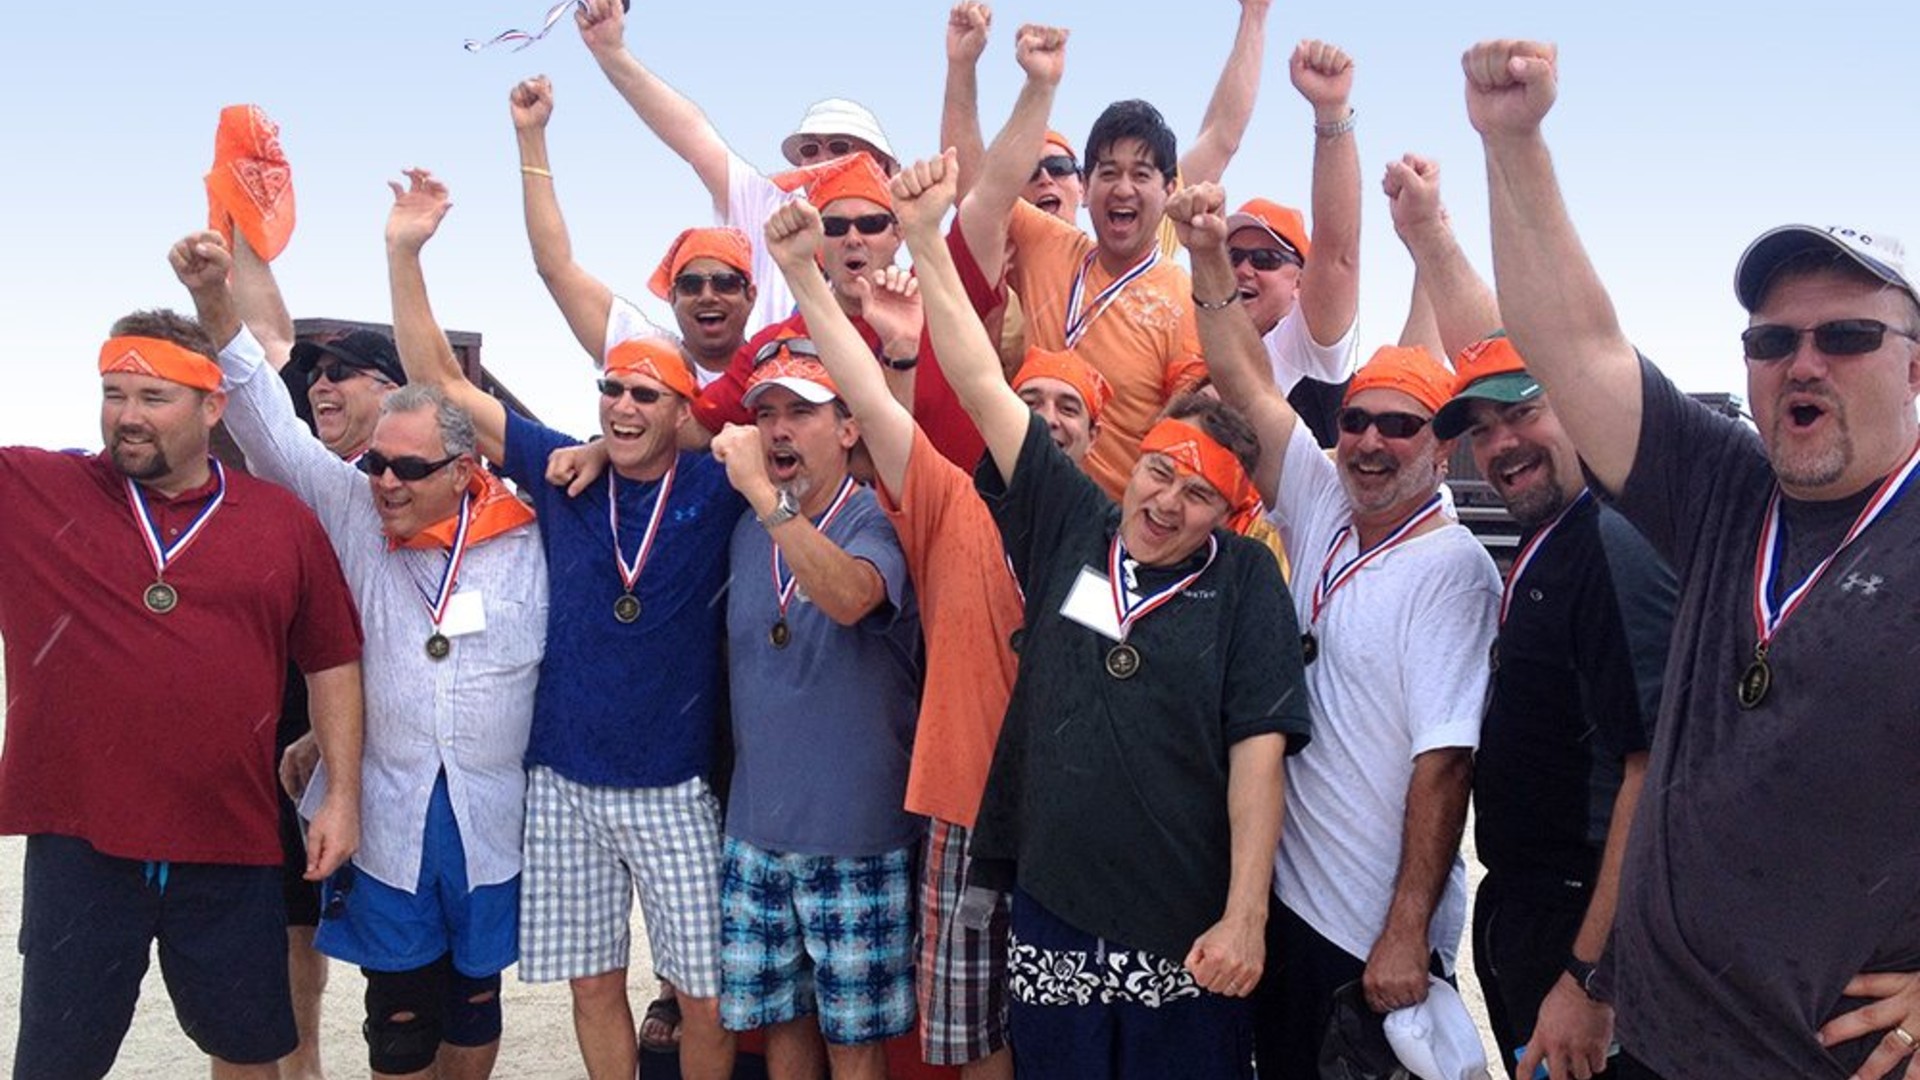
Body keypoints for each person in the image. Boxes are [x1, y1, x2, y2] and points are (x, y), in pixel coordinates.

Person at [1465, 37, 1920, 1079]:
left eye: (1844, 336)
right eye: (1770, 342)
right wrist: (1514, 141)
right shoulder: (1725, 486)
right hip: (1657, 1048)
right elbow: (1574, 345)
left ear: (1915, 363)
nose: (1800, 361)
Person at [900, 147, 1307, 1078]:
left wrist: (1246, 913)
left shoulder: (1245, 577)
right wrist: (926, 239)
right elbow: (974, 379)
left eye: (1199, 498)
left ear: (1230, 509)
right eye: (1161, 473)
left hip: (1186, 927)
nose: (1167, 504)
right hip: (1057, 914)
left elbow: (1259, 752)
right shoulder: (1071, 520)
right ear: (1142, 458)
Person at [383, 167, 742, 1080]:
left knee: (705, 995)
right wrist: (405, 252)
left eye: (644, 396)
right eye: (611, 391)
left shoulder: (719, 485)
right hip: (565, 783)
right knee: (593, 984)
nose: (622, 407)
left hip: (672, 783)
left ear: (683, 413)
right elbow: (440, 390)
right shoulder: (560, 474)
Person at [175, 223, 549, 1080]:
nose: (384, 481)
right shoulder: (351, 510)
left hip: (493, 821)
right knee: (402, 1020)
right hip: (390, 815)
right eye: (377, 463)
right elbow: (271, 426)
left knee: (476, 1004)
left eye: (408, 471)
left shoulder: (530, 537)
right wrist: (213, 304)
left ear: (464, 471)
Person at [761, 174, 1112, 1076]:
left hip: (1077, 814)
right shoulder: (950, 501)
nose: (1047, 421)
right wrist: (804, 274)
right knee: (975, 1037)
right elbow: (870, 402)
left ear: (1097, 439)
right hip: (963, 802)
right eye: (1032, 403)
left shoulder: (1117, 542)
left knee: (1070, 1030)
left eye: (1070, 409)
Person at [1165, 180, 1501, 1076]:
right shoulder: (1321, 496)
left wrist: (1405, 931)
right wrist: (1204, 255)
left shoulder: (1452, 568)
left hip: (1369, 935)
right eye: (1355, 420)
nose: (1370, 441)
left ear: (1442, 448)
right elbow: (1243, 379)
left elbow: (1448, 763)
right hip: (1286, 909)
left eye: (1401, 425)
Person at [0, 296, 365, 1080]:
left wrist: (342, 796)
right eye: (114, 394)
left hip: (228, 838)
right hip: (82, 841)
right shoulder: (31, 492)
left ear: (211, 405)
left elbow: (332, 659)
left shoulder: (279, 520)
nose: (128, 417)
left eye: (153, 398)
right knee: (57, 1060)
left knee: (249, 1053)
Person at [707, 342, 923, 1079]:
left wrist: (767, 503)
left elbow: (852, 597)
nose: (777, 431)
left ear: (850, 427)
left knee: (856, 1043)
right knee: (779, 1027)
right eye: (765, 414)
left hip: (856, 832)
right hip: (755, 829)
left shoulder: (877, 519)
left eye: (801, 411)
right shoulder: (746, 531)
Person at [574, 0, 896, 333]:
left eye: (840, 147)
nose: (821, 159)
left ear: (883, 166)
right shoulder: (768, 205)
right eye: (810, 149)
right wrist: (611, 51)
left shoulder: (913, 231)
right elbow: (693, 137)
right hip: (768, 376)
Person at [507, 74, 756, 386]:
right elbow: (555, 266)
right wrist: (531, 136)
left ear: (751, 294)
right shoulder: (645, 349)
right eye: (691, 285)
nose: (707, 295)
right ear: (672, 296)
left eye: (725, 283)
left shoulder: (781, 366)